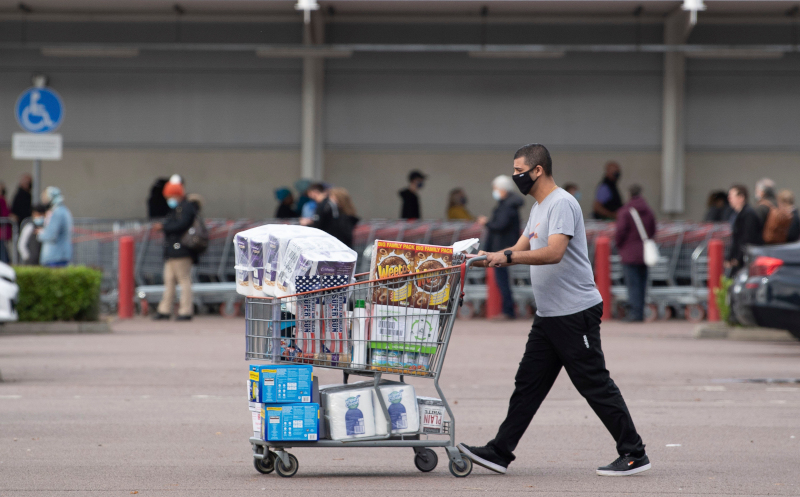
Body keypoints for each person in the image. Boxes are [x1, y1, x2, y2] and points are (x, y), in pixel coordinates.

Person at [459, 143, 649, 477]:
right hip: (549, 316)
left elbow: (553, 252)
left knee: (593, 382)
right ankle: (500, 451)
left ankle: (634, 453)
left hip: (574, 313)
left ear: (538, 170)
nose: (516, 176)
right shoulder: (539, 208)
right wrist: (483, 257)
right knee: (528, 384)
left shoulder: (562, 203)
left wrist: (508, 258)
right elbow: (518, 247)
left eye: (519, 171)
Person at [478, 175, 523, 320]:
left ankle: (508, 311)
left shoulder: (508, 206)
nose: (495, 191)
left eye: (496, 189)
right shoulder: (509, 204)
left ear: (503, 189)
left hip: (503, 248)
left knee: (503, 281)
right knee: (502, 281)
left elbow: (500, 225)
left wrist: (486, 222)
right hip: (504, 245)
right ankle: (507, 310)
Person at [153, 180, 196, 321]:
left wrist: (164, 227)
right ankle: (164, 309)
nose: (169, 200)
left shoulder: (187, 208)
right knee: (169, 281)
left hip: (182, 251)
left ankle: (185, 311)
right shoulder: (175, 209)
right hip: (171, 251)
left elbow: (181, 225)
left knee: (184, 281)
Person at [615, 185, 656, 322]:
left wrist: (620, 246)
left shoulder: (625, 211)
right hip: (644, 253)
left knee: (632, 285)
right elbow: (652, 230)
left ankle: (634, 313)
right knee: (642, 284)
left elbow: (620, 232)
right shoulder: (648, 211)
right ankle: (640, 312)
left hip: (629, 253)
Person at [301, 183, 357, 248]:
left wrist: (307, 224)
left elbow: (319, 225)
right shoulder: (346, 216)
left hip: (337, 245)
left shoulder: (340, 216)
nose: (329, 200)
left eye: (331, 197)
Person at [726, 185, 763, 274]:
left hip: (746, 257)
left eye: (732, 196)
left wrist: (738, 258)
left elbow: (747, 237)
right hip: (741, 255)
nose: (729, 199)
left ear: (741, 197)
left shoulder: (748, 214)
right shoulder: (736, 214)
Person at [37, 186, 73, 268]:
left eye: (45, 198)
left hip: (55, 256)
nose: (43, 201)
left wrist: (40, 233)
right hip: (60, 255)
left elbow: (51, 235)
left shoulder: (57, 213)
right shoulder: (63, 211)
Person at [0, 182, 11, 263]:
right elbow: (5, 213)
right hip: (1, 232)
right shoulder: (1, 200)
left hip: (3, 232)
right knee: (3, 255)